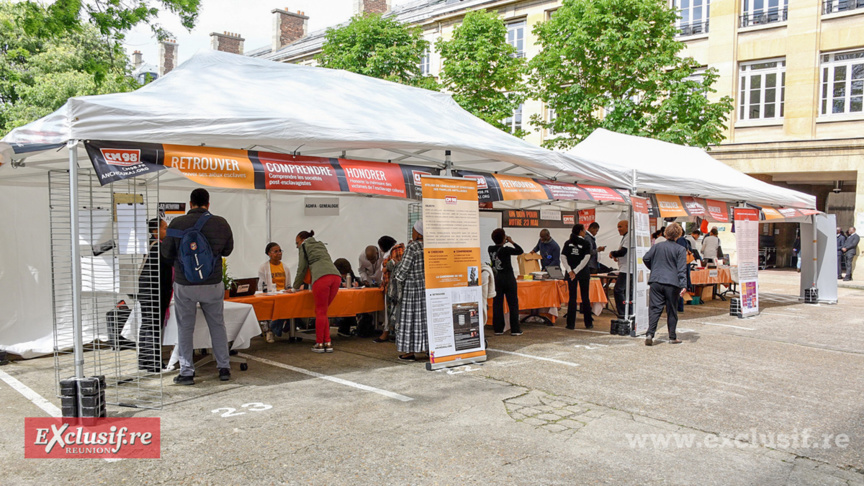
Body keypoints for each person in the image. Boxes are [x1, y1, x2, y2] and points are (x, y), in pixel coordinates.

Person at [162, 188, 234, 385]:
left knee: (185, 327)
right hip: (212, 283)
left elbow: (166, 253)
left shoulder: (177, 223)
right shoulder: (221, 223)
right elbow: (227, 250)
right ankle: (224, 368)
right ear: (208, 204)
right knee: (217, 325)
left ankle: (186, 372)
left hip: (185, 284)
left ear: (190, 203)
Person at [293, 230, 341, 353]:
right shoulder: (320, 244)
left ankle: (320, 343)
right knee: (324, 312)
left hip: (321, 278)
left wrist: (295, 287)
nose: (296, 245)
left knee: (320, 311)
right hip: (336, 276)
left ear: (302, 239)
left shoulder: (304, 246)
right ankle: (328, 342)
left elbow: (302, 268)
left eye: (296, 242)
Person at [643, 223, 687, 346]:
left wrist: (655, 268)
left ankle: (650, 333)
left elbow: (646, 258)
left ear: (665, 233)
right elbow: (681, 269)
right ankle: (672, 337)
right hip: (672, 282)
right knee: (672, 310)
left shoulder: (657, 246)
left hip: (656, 280)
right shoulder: (680, 249)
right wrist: (683, 285)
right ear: (678, 235)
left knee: (654, 309)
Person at [137, 217, 172, 373]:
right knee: (153, 327)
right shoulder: (158, 247)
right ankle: (154, 363)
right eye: (164, 228)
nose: (167, 231)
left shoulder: (149, 246)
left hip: (145, 292)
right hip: (154, 293)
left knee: (146, 326)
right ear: (155, 231)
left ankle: (144, 360)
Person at [392, 221, 428, 360]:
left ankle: (410, 351)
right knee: (424, 320)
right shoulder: (431, 245)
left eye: (413, 230)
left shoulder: (412, 247)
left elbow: (404, 269)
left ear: (418, 233)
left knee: (410, 320)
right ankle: (427, 348)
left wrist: (397, 275)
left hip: (413, 289)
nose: (412, 233)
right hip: (427, 287)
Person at [489, 228, 524, 336]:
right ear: (504, 238)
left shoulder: (490, 248)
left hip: (497, 279)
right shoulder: (506, 249)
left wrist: (503, 241)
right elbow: (520, 251)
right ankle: (515, 329)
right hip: (508, 278)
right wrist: (511, 241)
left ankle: (498, 329)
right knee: (513, 304)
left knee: (497, 304)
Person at [258, 242, 292, 343]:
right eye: (276, 251)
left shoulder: (285, 267)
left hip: (283, 295)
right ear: (269, 254)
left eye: (280, 251)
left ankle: (283, 328)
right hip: (271, 295)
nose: (279, 253)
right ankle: (271, 330)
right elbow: (261, 286)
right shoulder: (263, 267)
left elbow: (288, 284)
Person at [561, 224, 593, 329]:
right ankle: (588, 323)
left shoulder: (568, 243)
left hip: (571, 274)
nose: (585, 233)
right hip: (582, 273)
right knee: (585, 298)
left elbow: (563, 257)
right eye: (584, 231)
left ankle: (570, 324)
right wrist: (576, 270)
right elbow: (586, 258)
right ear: (580, 231)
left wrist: (570, 271)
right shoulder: (586, 243)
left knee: (572, 298)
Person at [375, 236, 405, 343]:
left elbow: (399, 262)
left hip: (394, 287)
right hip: (389, 286)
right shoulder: (392, 251)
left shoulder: (397, 249)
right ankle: (390, 332)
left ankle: (386, 333)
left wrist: (386, 267)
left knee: (391, 312)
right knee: (391, 312)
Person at [609, 220, 632, 318]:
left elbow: (623, 251)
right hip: (626, 268)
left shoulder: (629, 237)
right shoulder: (626, 237)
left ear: (627, 226)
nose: (618, 229)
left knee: (618, 290)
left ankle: (622, 313)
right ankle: (628, 312)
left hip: (626, 269)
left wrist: (613, 253)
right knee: (627, 292)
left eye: (620, 226)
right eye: (618, 227)